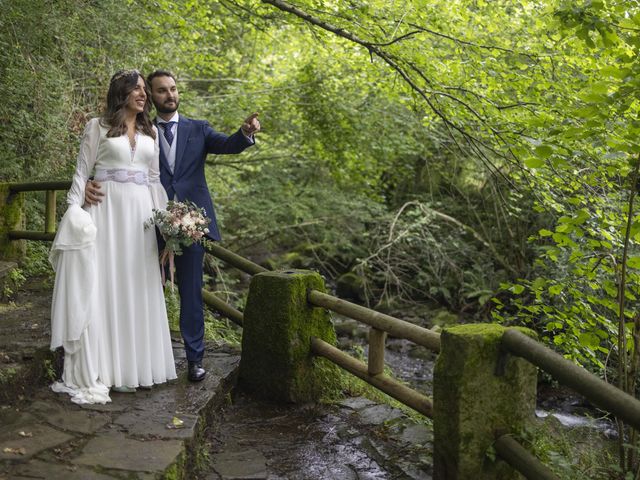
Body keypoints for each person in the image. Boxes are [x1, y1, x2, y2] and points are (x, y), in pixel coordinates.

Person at [85, 69, 259, 382]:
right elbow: (108, 162)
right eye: (162, 90)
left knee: (191, 291)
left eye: (174, 89)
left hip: (191, 225)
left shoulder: (198, 128)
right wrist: (87, 183)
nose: (170, 95)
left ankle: (195, 360)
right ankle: (133, 358)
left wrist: (245, 133)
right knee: (137, 287)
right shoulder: (140, 128)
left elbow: (228, 144)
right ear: (150, 95)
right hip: (143, 221)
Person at [49, 69, 177, 404]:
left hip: (141, 221)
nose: (143, 94)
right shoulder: (98, 126)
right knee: (105, 286)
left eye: (143, 90)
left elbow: (154, 180)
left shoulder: (150, 131)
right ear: (121, 93)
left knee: (136, 286)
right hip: (105, 214)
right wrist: (74, 209)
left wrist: (168, 225)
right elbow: (81, 172)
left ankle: (135, 368)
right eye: (136, 89)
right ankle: (108, 369)